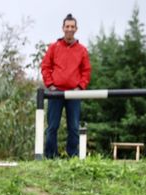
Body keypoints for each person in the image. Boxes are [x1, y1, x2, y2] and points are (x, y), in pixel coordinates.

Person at [40, 14, 91, 159]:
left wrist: (80, 87)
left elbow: (86, 71)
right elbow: (45, 66)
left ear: (76, 29)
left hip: (74, 93)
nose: (69, 29)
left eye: (72, 27)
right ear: (63, 28)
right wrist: (50, 84)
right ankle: (51, 156)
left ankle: (73, 156)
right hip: (56, 93)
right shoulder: (54, 47)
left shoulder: (82, 50)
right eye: (67, 26)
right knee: (52, 127)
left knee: (74, 127)